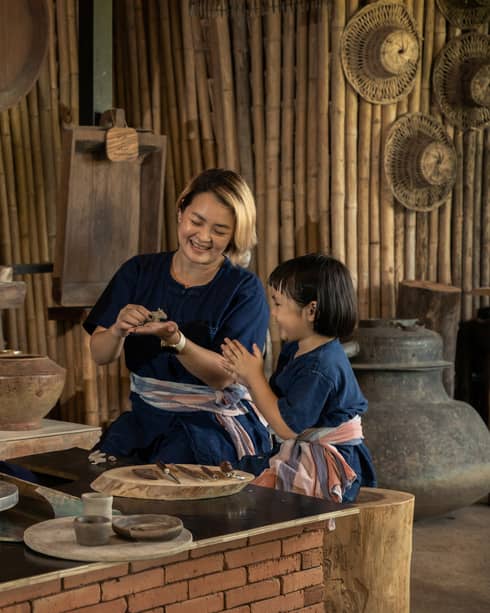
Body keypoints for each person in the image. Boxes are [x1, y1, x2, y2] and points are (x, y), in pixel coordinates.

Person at [83, 168, 272, 466]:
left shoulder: (243, 290)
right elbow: (100, 353)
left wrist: (177, 341)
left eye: (220, 231)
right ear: (182, 210)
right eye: (196, 221)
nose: (203, 237)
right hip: (145, 420)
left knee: (170, 480)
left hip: (210, 425)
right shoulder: (138, 271)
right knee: (105, 477)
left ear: (235, 234)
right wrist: (118, 329)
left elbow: (225, 376)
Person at [222, 253, 376, 503]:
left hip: (331, 461)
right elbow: (275, 400)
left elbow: (286, 426)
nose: (273, 313)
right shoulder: (296, 349)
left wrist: (255, 375)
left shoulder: (320, 366)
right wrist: (246, 377)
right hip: (303, 447)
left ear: (311, 310)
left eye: (278, 303)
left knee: (258, 497)